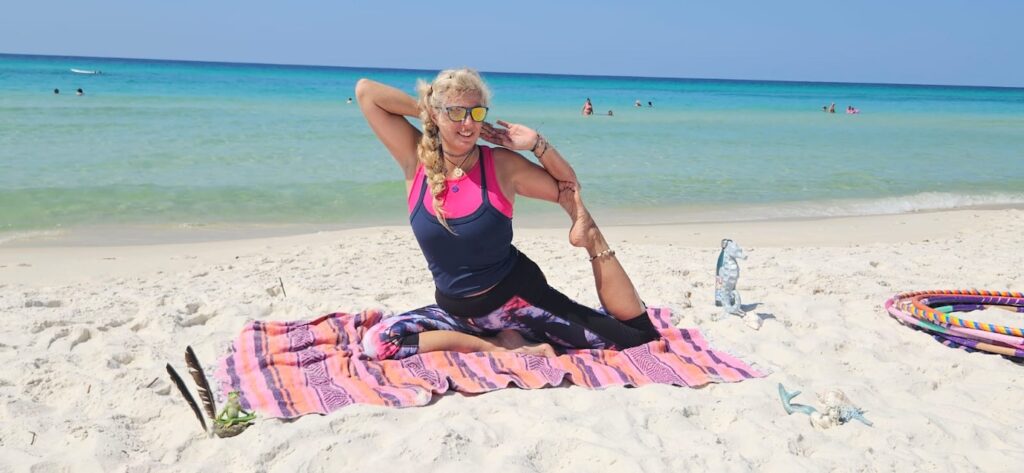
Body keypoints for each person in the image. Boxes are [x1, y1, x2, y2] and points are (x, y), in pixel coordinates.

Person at [355, 68, 660, 360]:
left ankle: (591, 237)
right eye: (457, 112)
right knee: (377, 343)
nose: (468, 124)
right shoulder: (414, 157)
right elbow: (366, 92)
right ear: (436, 114)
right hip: (456, 315)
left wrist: (535, 145)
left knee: (638, 339)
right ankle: (495, 345)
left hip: (520, 303)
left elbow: (567, 187)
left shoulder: (500, 165)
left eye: (476, 113)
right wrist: (431, 112)